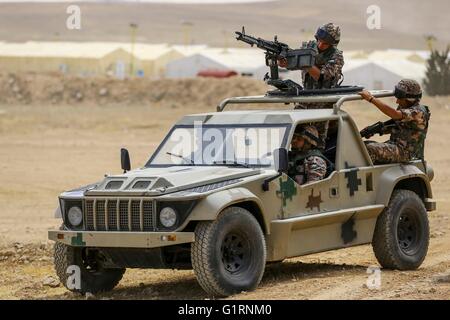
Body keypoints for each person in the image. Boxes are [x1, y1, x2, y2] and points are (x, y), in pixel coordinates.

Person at [358, 79, 430, 164]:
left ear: (409, 99)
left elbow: (394, 114)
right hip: (396, 146)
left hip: (406, 153)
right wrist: (375, 130)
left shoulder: (418, 112)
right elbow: (395, 125)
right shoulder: (405, 108)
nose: (397, 101)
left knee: (369, 149)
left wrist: (371, 99)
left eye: (400, 99)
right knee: (361, 146)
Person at [279, 22, 344, 92]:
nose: (320, 45)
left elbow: (321, 78)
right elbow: (294, 63)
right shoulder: (309, 47)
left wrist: (305, 63)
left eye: (325, 43)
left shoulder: (337, 56)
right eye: (319, 40)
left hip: (326, 98)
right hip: (307, 96)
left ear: (332, 44)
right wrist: (284, 62)